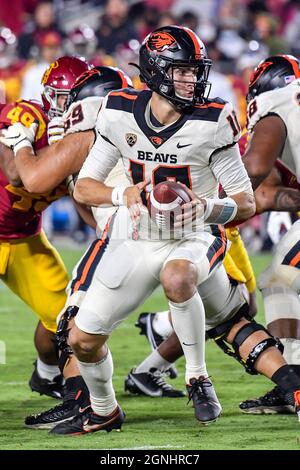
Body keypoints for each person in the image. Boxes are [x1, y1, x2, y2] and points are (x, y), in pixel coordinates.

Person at [2, 30, 300, 435]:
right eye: (182, 72)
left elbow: (245, 201)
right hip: (132, 233)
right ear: (157, 72)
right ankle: (104, 405)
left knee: (210, 297)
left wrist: (206, 207)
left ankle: (205, 378)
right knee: (79, 335)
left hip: (196, 232)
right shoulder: (117, 111)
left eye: (196, 72)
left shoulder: (214, 118)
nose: (192, 81)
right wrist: (124, 195)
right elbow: (86, 189)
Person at [0, 55, 89, 401]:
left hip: (24, 238)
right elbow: (16, 174)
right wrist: (35, 147)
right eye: (66, 99)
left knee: (65, 319)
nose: (71, 108)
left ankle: (47, 374)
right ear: (50, 96)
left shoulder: (85, 140)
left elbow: (87, 209)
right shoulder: (27, 116)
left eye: (79, 100)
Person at [234, 54, 300, 415]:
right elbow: (266, 195)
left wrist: (215, 199)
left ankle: (294, 379)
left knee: (279, 279)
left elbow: (255, 171)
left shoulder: (277, 106)